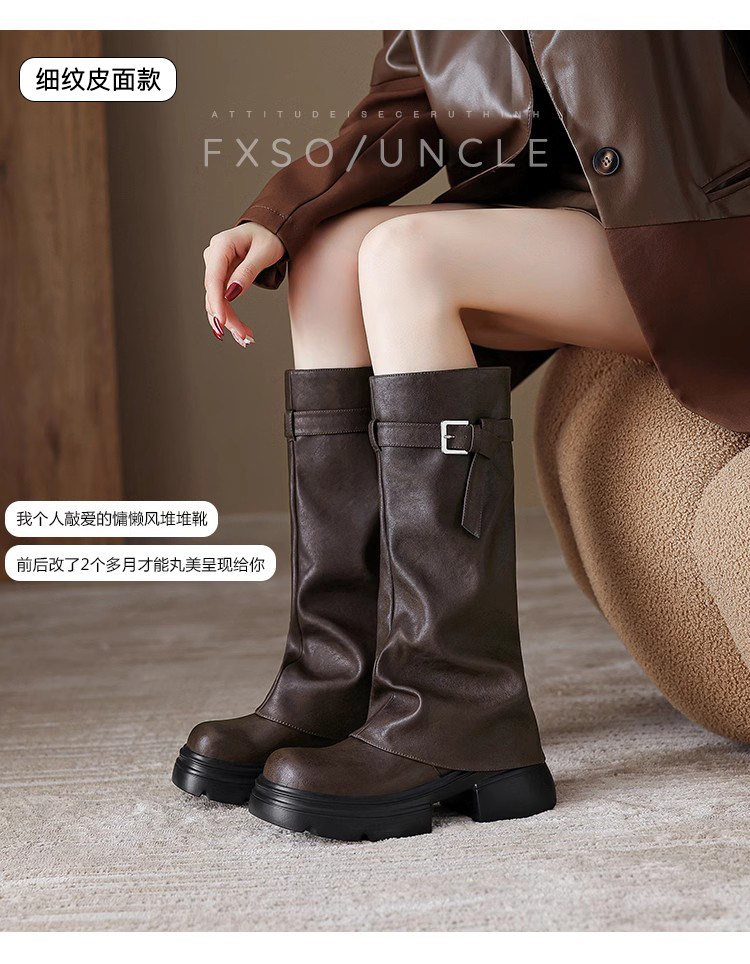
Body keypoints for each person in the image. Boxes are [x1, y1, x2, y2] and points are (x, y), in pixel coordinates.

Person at [172, 30, 750, 841]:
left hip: (705, 228)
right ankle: (338, 674)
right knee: (328, 251)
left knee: (410, 256)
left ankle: (459, 707)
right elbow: (404, 100)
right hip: (563, 223)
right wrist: (279, 213)